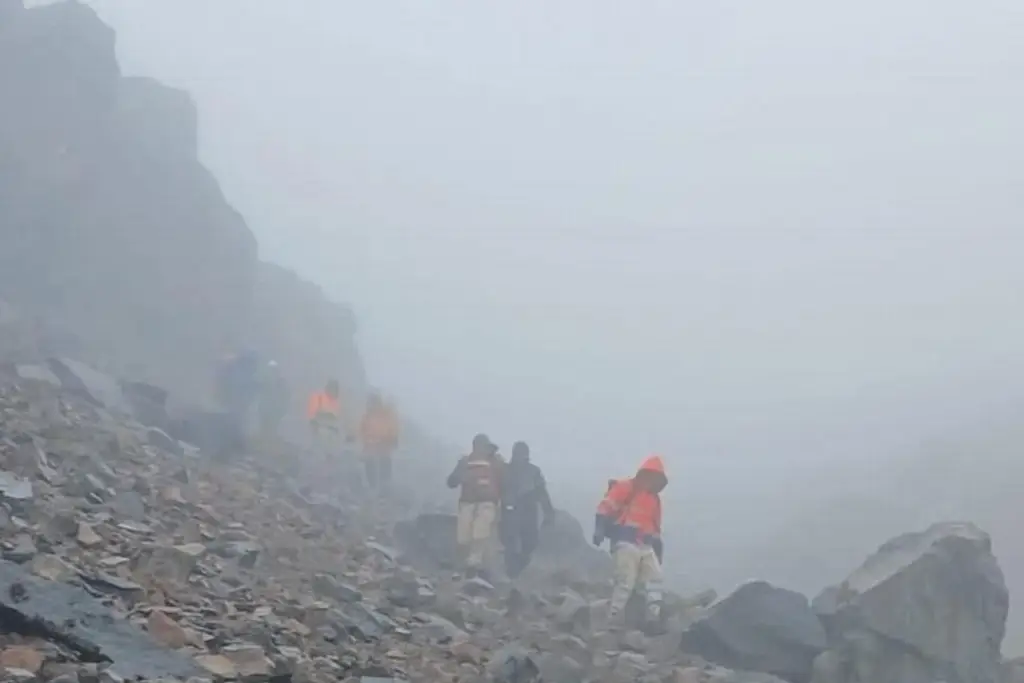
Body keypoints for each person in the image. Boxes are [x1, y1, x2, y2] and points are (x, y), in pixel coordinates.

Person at [593, 455, 667, 628]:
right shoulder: (625, 488)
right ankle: (614, 620)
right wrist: (599, 530)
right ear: (644, 474)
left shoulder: (655, 500)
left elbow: (655, 529)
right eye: (651, 475)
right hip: (624, 541)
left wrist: (658, 552)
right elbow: (605, 507)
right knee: (625, 581)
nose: (653, 480)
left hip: (645, 545)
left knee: (655, 580)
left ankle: (653, 619)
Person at [446, 434, 504, 578]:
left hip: (481, 502)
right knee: (468, 535)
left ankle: (474, 562)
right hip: (474, 502)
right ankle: (469, 562)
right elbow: (452, 482)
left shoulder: (489, 462)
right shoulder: (468, 462)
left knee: (477, 531)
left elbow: (451, 482)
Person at [499, 441, 554, 579]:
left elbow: (541, 492)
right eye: (518, 453)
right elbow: (497, 488)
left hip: (528, 509)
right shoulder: (505, 469)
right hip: (510, 509)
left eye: (522, 454)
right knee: (509, 540)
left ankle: (520, 563)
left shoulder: (533, 471)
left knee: (530, 542)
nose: (520, 456)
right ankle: (511, 570)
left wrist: (548, 512)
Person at [359, 392, 400, 491]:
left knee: (384, 464)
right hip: (371, 446)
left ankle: (385, 486)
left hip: (384, 444)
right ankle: (372, 487)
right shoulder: (367, 415)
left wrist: (394, 438)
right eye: (370, 402)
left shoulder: (386, 414)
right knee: (370, 465)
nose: (371, 405)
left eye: (373, 402)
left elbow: (393, 426)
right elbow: (361, 429)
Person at [306, 379, 343, 457]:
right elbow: (311, 415)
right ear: (328, 388)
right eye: (333, 388)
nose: (335, 392)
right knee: (317, 455)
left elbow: (337, 418)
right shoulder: (318, 397)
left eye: (336, 389)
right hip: (318, 433)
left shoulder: (336, 401)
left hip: (331, 436)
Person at [258, 360, 290, 438]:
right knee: (265, 424)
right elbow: (261, 394)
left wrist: (284, 407)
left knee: (273, 424)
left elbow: (285, 395)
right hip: (266, 406)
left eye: (273, 369)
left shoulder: (281, 381)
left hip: (276, 407)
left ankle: (271, 437)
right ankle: (265, 438)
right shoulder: (264, 380)